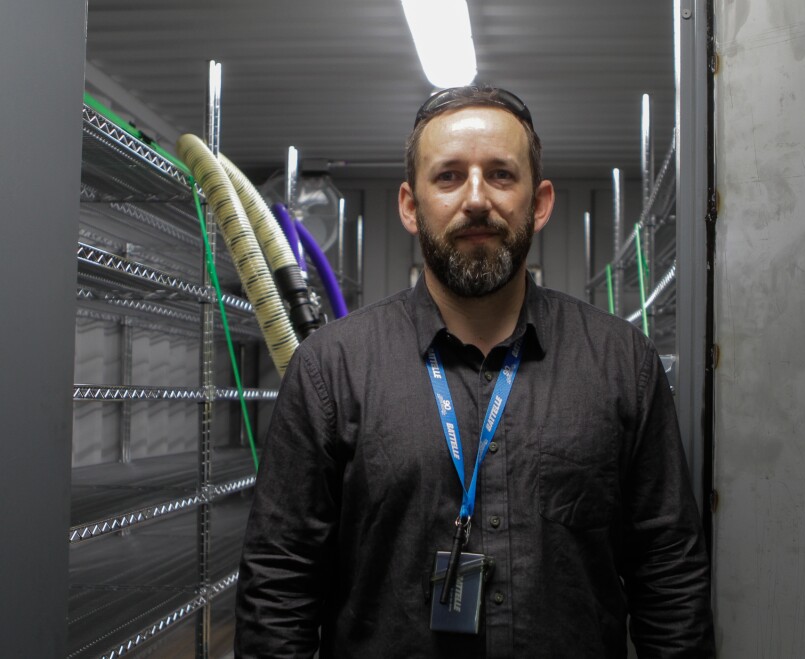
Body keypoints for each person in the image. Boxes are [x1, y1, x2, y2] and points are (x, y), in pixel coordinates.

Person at [235, 86, 715, 658]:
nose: (477, 198)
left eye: (501, 175)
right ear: (411, 206)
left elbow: (668, 573)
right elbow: (279, 585)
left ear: (539, 202)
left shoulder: (620, 363)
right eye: (449, 177)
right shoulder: (331, 369)